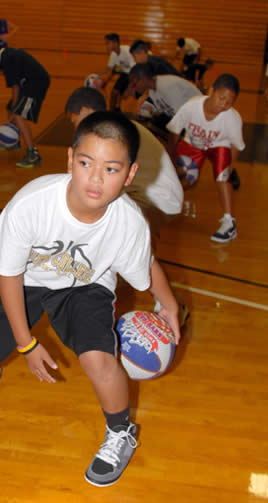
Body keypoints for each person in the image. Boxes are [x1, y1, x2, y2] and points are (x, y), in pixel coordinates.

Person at [0, 111, 180, 487]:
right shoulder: (32, 204)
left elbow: (146, 266)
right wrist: (26, 343)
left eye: (111, 169)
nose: (95, 178)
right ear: (70, 160)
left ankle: (121, 432)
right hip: (26, 278)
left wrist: (170, 305)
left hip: (85, 285)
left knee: (99, 358)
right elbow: (9, 275)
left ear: (130, 174)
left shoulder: (128, 221)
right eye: (86, 163)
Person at [65, 87, 187, 326]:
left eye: (75, 121)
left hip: (158, 197)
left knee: (125, 239)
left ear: (87, 111)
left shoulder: (113, 136)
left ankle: (170, 307)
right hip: (144, 192)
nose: (76, 129)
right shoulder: (113, 130)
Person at [167, 74, 245, 243]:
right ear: (211, 91)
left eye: (229, 102)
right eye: (221, 98)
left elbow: (237, 146)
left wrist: (229, 168)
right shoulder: (191, 107)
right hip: (194, 144)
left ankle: (229, 222)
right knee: (185, 178)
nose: (223, 104)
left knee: (222, 176)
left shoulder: (232, 119)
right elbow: (174, 132)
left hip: (220, 146)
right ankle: (166, 200)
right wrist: (171, 159)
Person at [0, 42, 50, 168]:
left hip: (36, 83)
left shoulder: (7, 58)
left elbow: (15, 87)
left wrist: (15, 112)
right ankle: (15, 141)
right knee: (10, 108)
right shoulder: (5, 57)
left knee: (18, 115)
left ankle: (32, 154)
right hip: (28, 83)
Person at [128, 62, 201, 130]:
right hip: (188, 118)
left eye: (134, 84)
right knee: (150, 122)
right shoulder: (153, 91)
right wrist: (141, 113)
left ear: (143, 79)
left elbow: (180, 118)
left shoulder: (166, 86)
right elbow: (149, 110)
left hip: (199, 119)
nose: (134, 89)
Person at [101, 33, 135, 110]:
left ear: (115, 43)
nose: (106, 46)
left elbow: (135, 70)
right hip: (124, 74)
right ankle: (113, 111)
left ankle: (115, 109)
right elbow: (111, 70)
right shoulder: (113, 55)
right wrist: (105, 82)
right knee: (114, 93)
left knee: (116, 93)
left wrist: (130, 88)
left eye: (108, 43)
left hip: (133, 75)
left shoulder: (127, 51)